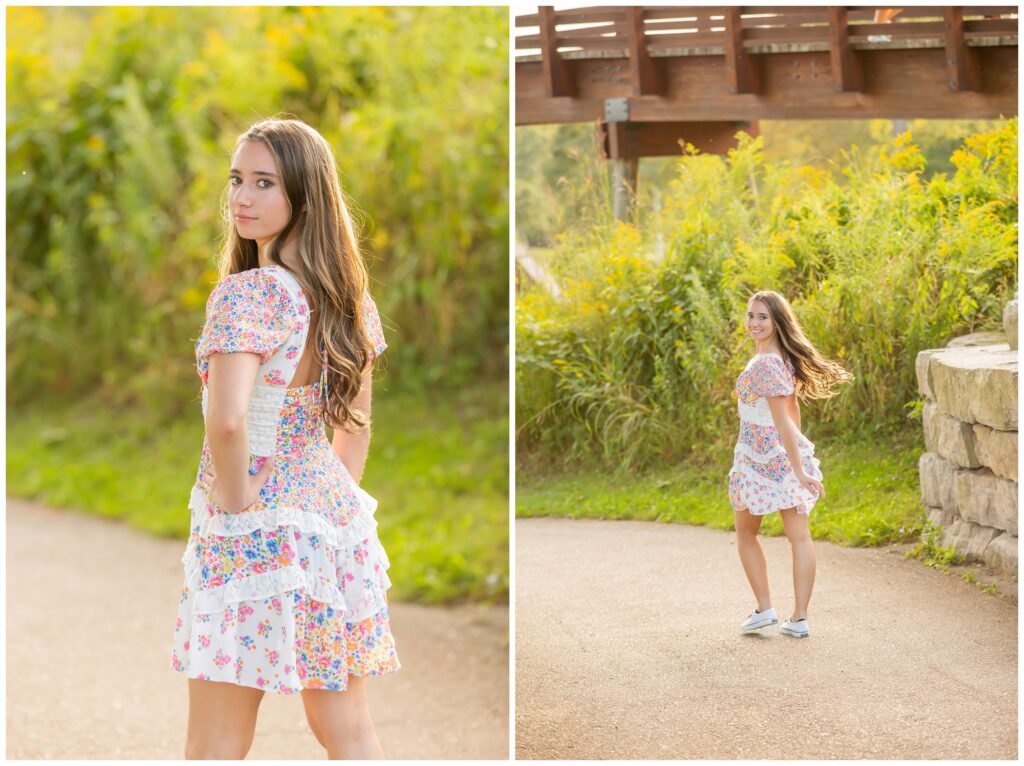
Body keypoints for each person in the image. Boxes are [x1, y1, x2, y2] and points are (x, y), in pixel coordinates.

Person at [170, 117, 399, 759]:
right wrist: (327, 510)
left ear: (304, 194)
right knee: (348, 730)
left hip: (251, 527)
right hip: (331, 526)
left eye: (264, 182)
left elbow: (230, 420)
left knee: (217, 740)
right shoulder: (351, 300)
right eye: (237, 179)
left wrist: (240, 504)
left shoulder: (247, 297)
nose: (241, 197)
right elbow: (353, 427)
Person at [728, 290, 853, 639]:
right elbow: (791, 413)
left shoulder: (767, 363)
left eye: (763, 317)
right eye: (751, 315)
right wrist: (798, 454)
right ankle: (798, 618)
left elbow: (782, 420)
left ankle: (767, 607)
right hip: (779, 453)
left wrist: (799, 469)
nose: (754, 323)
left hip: (760, 456)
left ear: (778, 320)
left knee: (747, 532)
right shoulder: (781, 359)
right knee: (798, 536)